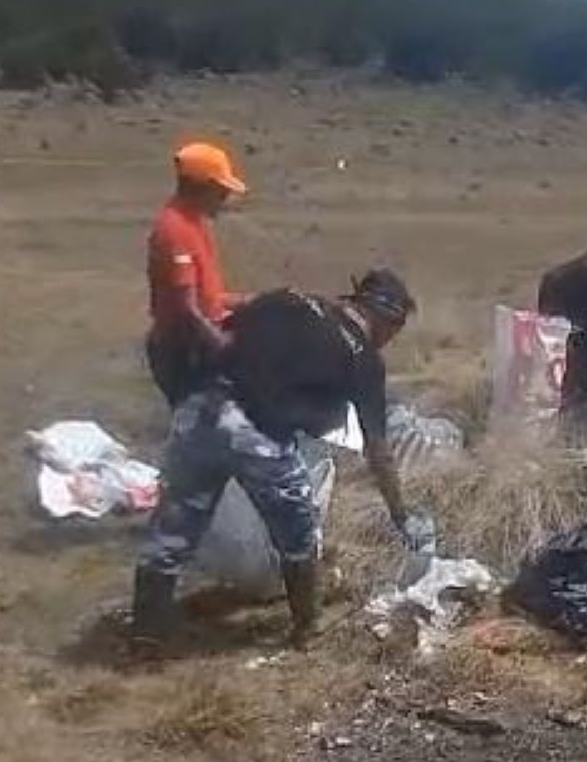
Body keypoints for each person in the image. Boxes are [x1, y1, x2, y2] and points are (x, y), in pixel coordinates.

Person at [132, 268, 424, 649]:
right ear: (387, 319)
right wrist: (399, 511)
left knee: (174, 526)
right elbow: (378, 451)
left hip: (203, 410)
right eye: (395, 330)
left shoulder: (285, 299)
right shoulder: (364, 359)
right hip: (260, 436)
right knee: (297, 533)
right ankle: (308, 628)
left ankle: (146, 633)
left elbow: (217, 335)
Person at [146, 142, 250, 408]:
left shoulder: (193, 223)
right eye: (222, 191)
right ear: (202, 188)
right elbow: (186, 309)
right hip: (185, 350)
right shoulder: (175, 231)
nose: (225, 199)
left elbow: (205, 297)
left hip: (196, 342)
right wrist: (223, 346)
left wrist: (245, 301)